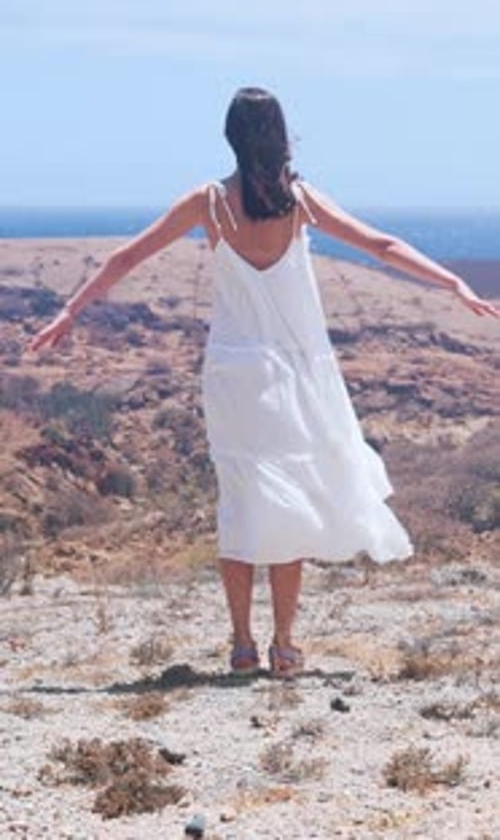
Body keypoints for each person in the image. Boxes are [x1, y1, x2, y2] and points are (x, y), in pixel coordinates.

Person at [31, 86, 500, 678]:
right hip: (295, 372)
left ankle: (241, 645)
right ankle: (284, 646)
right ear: (281, 136)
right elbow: (382, 245)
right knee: (289, 500)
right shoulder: (299, 201)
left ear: (230, 136)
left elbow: (126, 258)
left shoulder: (208, 203)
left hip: (234, 372)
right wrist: (452, 283)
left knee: (241, 501)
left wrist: (70, 311)